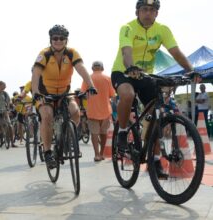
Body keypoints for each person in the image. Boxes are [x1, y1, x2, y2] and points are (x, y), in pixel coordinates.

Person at [111, 0, 194, 178]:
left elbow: (176, 52)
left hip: (146, 75)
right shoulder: (128, 28)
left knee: (158, 114)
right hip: (124, 72)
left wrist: (191, 71)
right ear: (137, 12)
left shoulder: (162, 30)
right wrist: (131, 66)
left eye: (152, 10)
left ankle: (155, 160)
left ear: (157, 13)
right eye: (144, 9)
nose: (148, 13)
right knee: (128, 94)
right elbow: (127, 51)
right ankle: (123, 133)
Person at [32, 24, 97, 168]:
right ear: (51, 40)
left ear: (66, 40)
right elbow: (36, 72)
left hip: (63, 93)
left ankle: (67, 138)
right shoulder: (45, 54)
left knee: (75, 111)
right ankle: (48, 152)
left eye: (62, 38)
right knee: (47, 116)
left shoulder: (72, 53)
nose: (58, 41)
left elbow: (81, 68)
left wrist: (91, 85)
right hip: (45, 93)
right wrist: (35, 91)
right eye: (55, 38)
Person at [82, 61, 115, 162]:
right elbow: (112, 95)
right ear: (102, 68)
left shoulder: (87, 79)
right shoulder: (108, 78)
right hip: (105, 110)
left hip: (92, 110)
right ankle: (101, 153)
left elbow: (83, 93)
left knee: (94, 133)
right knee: (103, 133)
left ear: (92, 68)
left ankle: (96, 154)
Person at [0, 81, 17, 148]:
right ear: (0, 85)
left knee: (10, 126)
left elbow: (9, 102)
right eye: (4, 85)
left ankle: (12, 143)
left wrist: (9, 108)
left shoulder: (5, 93)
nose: (5, 87)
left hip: (4, 111)